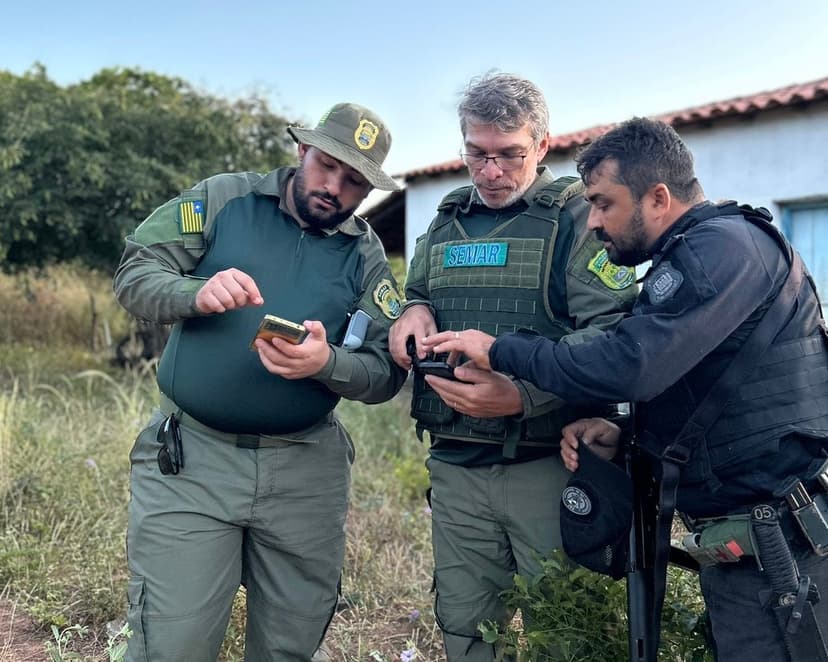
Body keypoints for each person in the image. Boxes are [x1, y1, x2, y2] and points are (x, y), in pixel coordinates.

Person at [422, 117, 828, 662]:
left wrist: (499, 350)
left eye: (603, 203)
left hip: (783, 553)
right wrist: (623, 431)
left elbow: (628, 362)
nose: (592, 222)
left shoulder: (722, 250)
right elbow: (696, 385)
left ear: (657, 198)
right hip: (751, 547)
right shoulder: (696, 254)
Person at [113, 102, 408, 662]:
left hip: (305, 473)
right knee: (170, 643)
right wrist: (192, 294)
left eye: (354, 181)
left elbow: (385, 372)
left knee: (290, 645)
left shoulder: (365, 253)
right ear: (302, 150)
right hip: (193, 463)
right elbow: (136, 271)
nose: (333, 187)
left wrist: (326, 364)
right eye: (326, 165)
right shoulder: (223, 199)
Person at [387, 72, 637, 660]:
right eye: (477, 154)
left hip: (548, 468)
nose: (491, 172)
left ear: (543, 147)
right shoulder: (446, 219)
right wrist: (412, 310)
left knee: (567, 636)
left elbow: (613, 336)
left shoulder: (579, 220)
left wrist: (523, 394)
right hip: (454, 467)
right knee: (467, 635)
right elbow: (415, 292)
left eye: (509, 155)